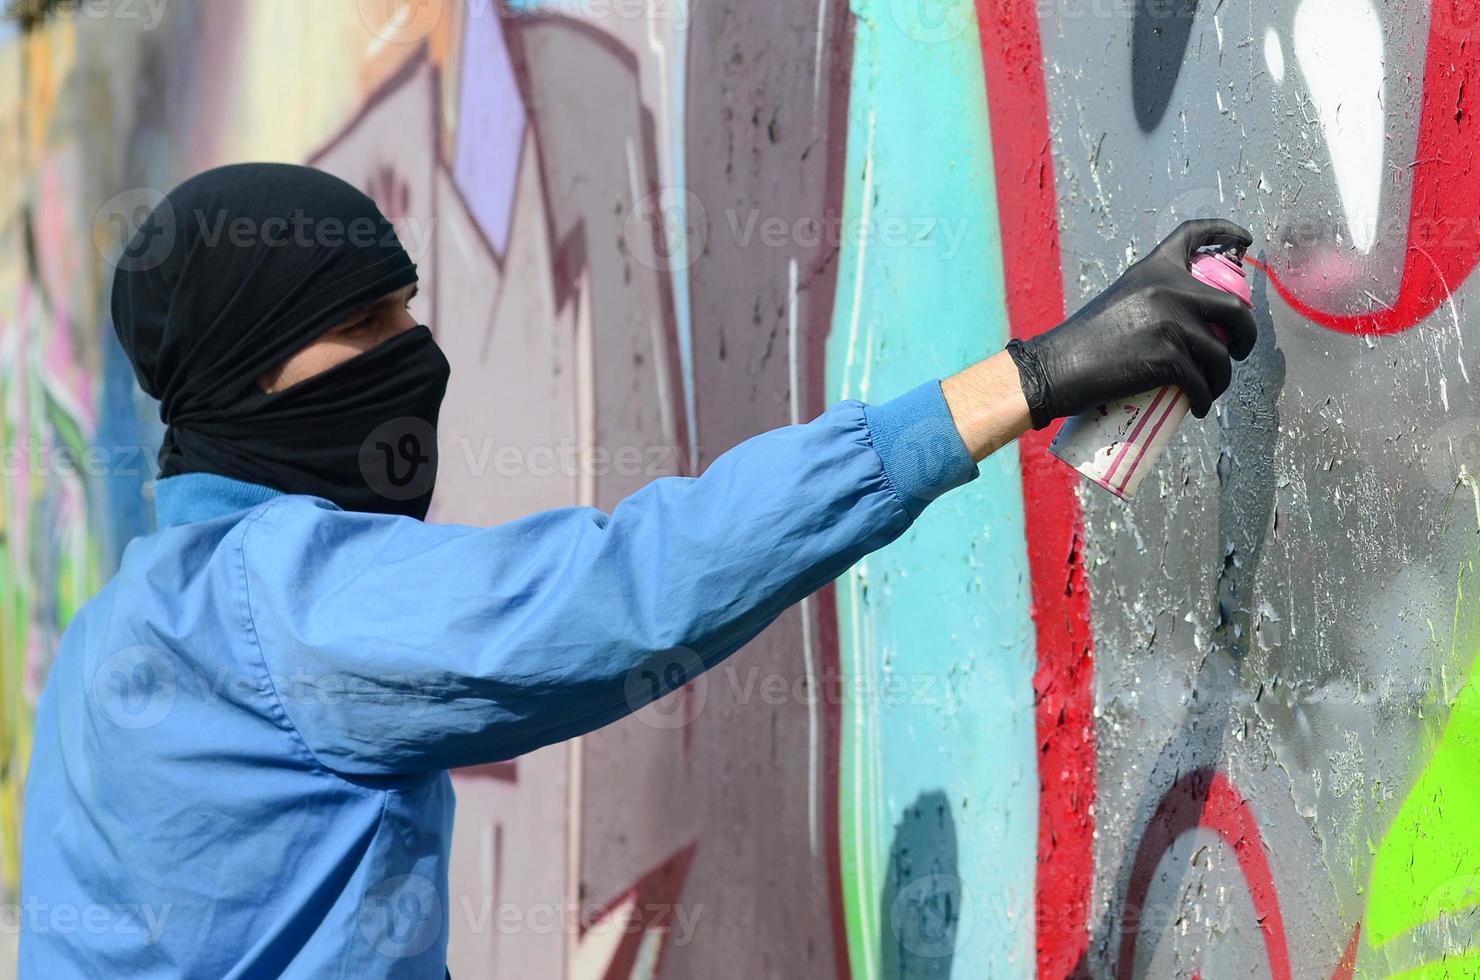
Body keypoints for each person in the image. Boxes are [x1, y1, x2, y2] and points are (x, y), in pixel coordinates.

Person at [18, 164, 1256, 978]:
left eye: (411, 307)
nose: (419, 351)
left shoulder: (104, 644)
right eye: (369, 325)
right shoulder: (274, 600)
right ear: (251, 367)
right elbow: (622, 596)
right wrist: (1024, 380)